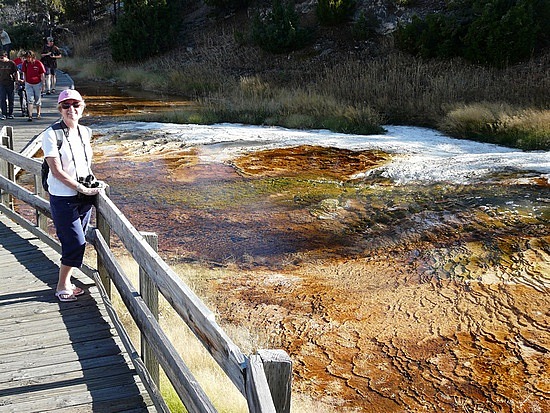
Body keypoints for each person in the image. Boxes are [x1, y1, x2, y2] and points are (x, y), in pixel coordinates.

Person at [41, 89, 103, 302]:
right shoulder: (51, 134)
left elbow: (84, 163)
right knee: (75, 242)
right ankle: (62, 286)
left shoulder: (86, 132)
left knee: (78, 240)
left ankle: (67, 281)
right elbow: (56, 171)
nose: (71, 109)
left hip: (83, 196)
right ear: (60, 109)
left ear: (82, 107)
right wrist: (81, 188)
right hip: (63, 197)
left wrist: (93, 183)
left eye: (75, 104)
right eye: (66, 106)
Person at [21, 50, 45, 121]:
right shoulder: (25, 63)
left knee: (37, 99)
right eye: (27, 58)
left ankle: (38, 114)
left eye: (29, 57)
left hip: (37, 83)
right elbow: (24, 72)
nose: (28, 59)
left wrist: (43, 84)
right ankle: (30, 116)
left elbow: (42, 74)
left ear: (32, 57)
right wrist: (25, 81)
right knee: (30, 100)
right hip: (29, 83)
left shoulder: (38, 63)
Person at [0, 49, 18, 119]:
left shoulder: (11, 63)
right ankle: (4, 113)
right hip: (1, 83)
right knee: (2, 98)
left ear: (6, 56)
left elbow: (16, 72)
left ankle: (10, 113)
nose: (1, 59)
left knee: (11, 98)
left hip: (10, 82)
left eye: (2, 57)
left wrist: (17, 81)